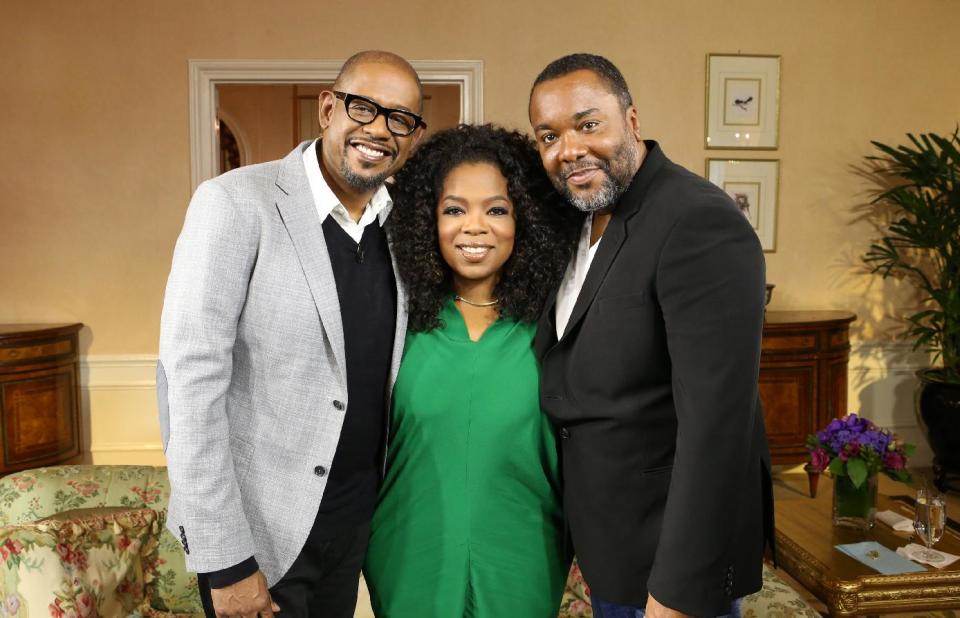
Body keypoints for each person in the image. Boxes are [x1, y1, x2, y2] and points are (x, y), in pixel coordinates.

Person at [157, 50, 425, 618]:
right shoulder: (235, 203)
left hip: (353, 527)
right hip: (259, 535)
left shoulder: (403, 227)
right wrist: (225, 559)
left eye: (400, 118)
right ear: (328, 108)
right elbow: (188, 385)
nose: (379, 129)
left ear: (413, 135)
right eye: (363, 106)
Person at [528, 53, 774, 618]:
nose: (569, 149)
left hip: (667, 559)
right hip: (609, 543)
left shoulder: (697, 221)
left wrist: (679, 592)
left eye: (588, 124)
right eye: (549, 136)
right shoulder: (575, 217)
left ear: (632, 121)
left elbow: (718, 427)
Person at [363, 124, 578, 617]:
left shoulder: (556, 330)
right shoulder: (397, 327)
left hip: (525, 553)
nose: (475, 226)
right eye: (455, 209)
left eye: (497, 210)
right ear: (426, 221)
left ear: (526, 220)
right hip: (408, 551)